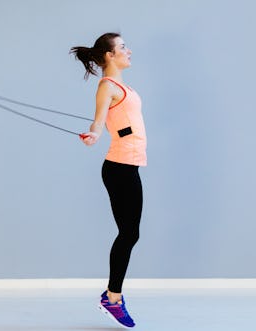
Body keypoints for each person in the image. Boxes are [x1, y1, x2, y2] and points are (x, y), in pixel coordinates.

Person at [70, 32, 147, 329]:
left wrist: (112, 132)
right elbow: (99, 122)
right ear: (109, 56)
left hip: (129, 166)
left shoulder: (120, 86)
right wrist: (94, 135)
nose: (129, 50)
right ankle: (112, 298)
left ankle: (112, 296)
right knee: (129, 234)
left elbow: (124, 126)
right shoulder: (107, 86)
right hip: (119, 168)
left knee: (130, 233)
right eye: (123, 47)